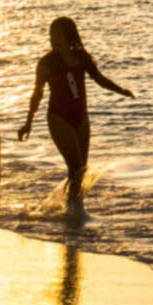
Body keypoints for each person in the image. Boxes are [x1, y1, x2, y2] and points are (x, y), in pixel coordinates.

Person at [17, 17, 134, 216]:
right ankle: (74, 211)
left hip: (81, 118)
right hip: (58, 118)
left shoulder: (81, 57)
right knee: (76, 166)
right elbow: (37, 93)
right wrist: (28, 122)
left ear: (68, 35)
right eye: (51, 34)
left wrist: (120, 90)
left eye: (57, 33)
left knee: (80, 170)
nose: (53, 38)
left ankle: (72, 210)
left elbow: (99, 79)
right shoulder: (46, 63)